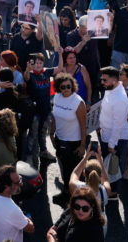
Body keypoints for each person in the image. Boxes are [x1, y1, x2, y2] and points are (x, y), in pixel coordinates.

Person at [50, 72, 87, 200]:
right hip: (60, 140)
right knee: (64, 170)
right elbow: (55, 117)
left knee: (74, 174)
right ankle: (66, 193)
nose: (66, 89)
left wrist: (82, 146)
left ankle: (77, 200)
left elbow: (83, 126)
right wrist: (51, 133)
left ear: (73, 87)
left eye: (68, 86)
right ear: (58, 88)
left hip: (73, 142)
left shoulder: (78, 102)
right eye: (63, 87)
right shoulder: (56, 97)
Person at [0, 165, 34, 242]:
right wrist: (28, 219)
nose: (21, 184)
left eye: (20, 178)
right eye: (18, 182)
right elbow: (30, 229)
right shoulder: (13, 210)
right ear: (6, 186)